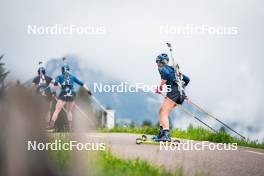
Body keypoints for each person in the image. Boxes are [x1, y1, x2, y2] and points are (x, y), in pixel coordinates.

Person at [154, 53, 190, 142]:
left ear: (159, 62)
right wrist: (181, 89)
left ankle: (166, 135)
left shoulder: (163, 68)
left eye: (157, 62)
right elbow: (187, 79)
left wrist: (160, 88)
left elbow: (165, 77)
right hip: (180, 94)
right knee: (161, 110)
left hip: (174, 93)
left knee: (164, 112)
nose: (157, 64)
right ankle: (161, 133)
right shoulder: (174, 70)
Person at [47, 63, 92, 131]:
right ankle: (70, 128)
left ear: (62, 70)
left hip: (63, 94)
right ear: (69, 70)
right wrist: (88, 91)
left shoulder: (59, 76)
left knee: (57, 110)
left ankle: (51, 125)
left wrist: (53, 92)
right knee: (69, 111)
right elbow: (82, 83)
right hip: (72, 94)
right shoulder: (72, 77)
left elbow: (55, 84)